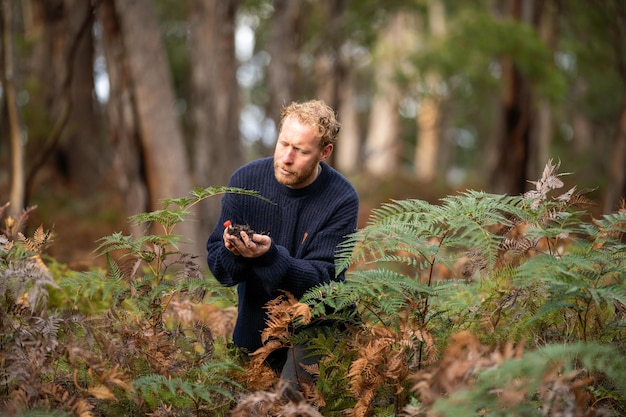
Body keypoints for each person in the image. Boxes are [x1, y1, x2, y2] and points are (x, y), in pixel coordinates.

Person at [206, 99, 359, 398]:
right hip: (256, 329)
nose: (286, 158)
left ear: (324, 153)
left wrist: (270, 256)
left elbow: (325, 280)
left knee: (291, 399)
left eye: (301, 151)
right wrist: (232, 251)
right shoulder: (245, 181)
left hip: (316, 325)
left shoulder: (341, 198)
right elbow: (221, 272)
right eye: (283, 144)